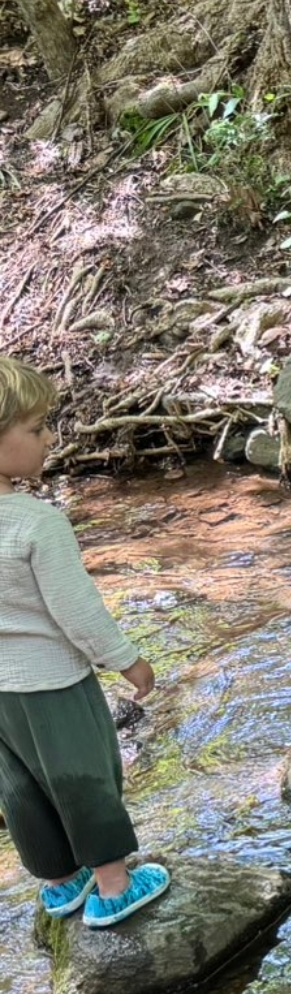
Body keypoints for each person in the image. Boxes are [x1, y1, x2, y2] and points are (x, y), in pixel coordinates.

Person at [0, 356, 167, 927]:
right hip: (54, 680)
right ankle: (115, 886)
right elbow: (77, 611)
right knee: (85, 777)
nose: (50, 438)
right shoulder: (34, 522)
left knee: (19, 786)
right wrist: (127, 660)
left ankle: (57, 884)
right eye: (36, 428)